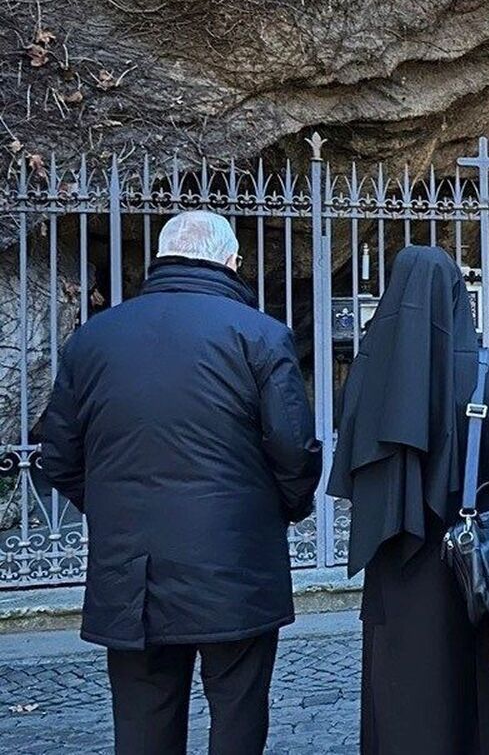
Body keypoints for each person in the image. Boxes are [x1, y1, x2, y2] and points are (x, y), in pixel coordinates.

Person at [30, 211, 323, 755]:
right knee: (237, 713)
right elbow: (294, 450)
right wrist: (277, 511)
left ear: (161, 258)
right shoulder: (260, 334)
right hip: (236, 560)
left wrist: (113, 509)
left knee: (144, 718)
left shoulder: (94, 338)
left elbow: (59, 455)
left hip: (131, 568)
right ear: (232, 262)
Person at [328, 246, 489, 755]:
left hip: (397, 562)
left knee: (405, 688)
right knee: (483, 682)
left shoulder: (367, 376)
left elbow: (351, 461)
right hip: (478, 562)